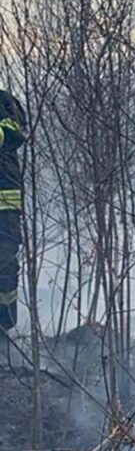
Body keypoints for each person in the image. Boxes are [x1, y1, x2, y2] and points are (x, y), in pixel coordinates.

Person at [0, 90, 27, 333]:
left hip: (4, 206)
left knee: (4, 264)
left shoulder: (4, 101)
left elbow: (16, 133)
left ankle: (5, 326)